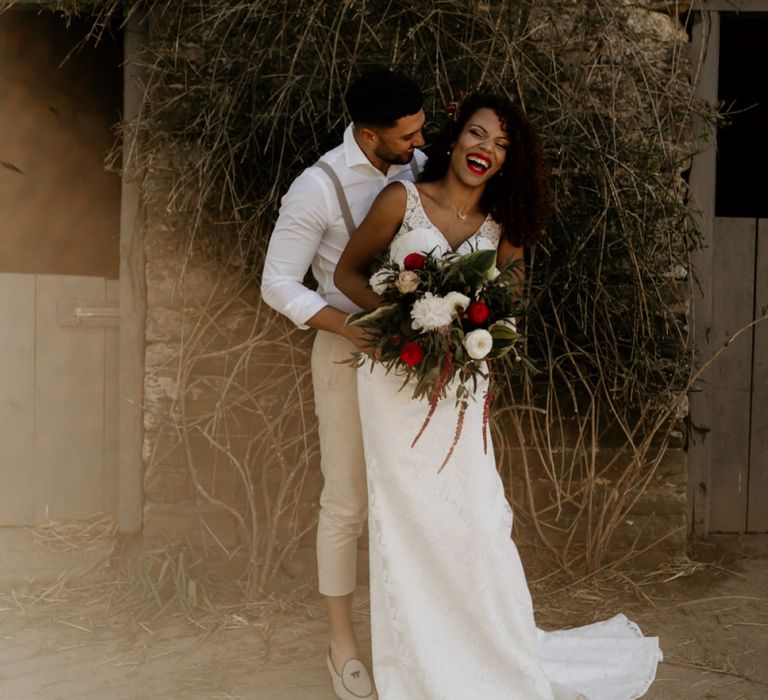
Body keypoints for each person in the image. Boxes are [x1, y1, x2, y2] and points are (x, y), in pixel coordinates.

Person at [334, 93, 662, 700]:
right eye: (478, 135)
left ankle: (488, 651)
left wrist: (470, 338)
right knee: (405, 522)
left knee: (478, 523)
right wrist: (400, 319)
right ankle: (420, 663)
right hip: (393, 382)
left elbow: (504, 312)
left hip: (461, 388)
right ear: (456, 138)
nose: (485, 149)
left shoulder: (502, 232)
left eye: (501, 145)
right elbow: (345, 275)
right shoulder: (400, 200)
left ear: (507, 162)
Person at [261, 70, 427, 700]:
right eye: (407, 135)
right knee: (347, 502)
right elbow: (277, 283)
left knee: (410, 500)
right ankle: (342, 645)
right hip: (346, 353)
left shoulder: (415, 163)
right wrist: (352, 329)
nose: (419, 145)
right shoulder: (316, 188)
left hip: (416, 355)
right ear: (367, 135)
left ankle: (412, 637)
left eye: (420, 130)